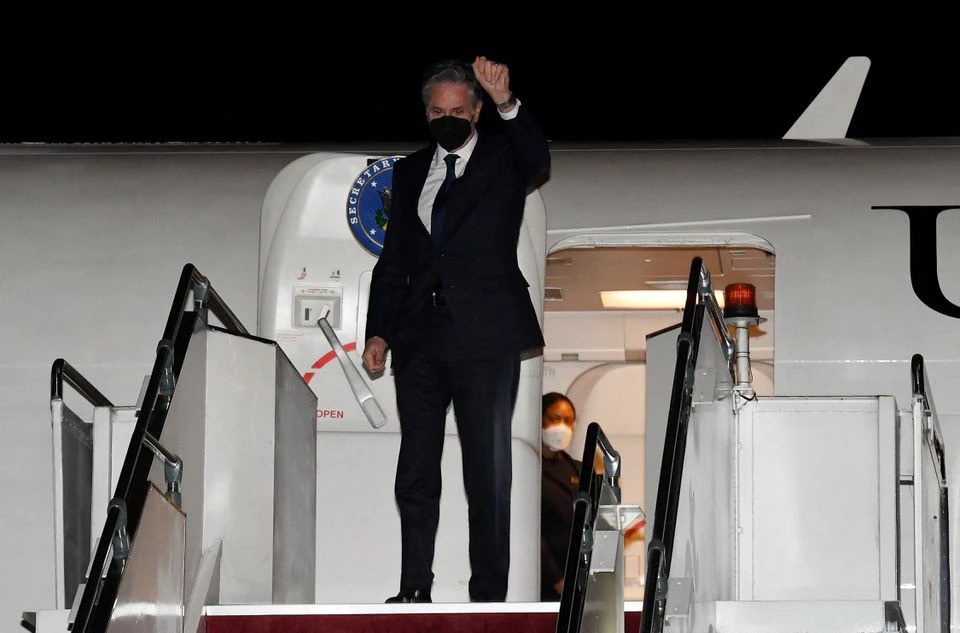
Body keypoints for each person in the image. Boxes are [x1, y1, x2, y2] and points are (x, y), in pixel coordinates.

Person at [361, 55, 551, 603]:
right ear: (426, 114)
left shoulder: (502, 158)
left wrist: (507, 102)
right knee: (415, 468)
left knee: (486, 472)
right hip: (420, 339)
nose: (447, 118)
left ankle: (488, 595)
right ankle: (414, 588)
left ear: (474, 111)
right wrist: (380, 332)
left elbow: (538, 157)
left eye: (457, 110)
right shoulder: (411, 169)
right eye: (436, 111)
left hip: (485, 339)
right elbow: (393, 261)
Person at [540, 392, 581, 601]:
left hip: (575, 575)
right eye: (555, 419)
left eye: (568, 421)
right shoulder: (528, 467)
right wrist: (556, 578)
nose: (562, 427)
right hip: (543, 578)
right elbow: (533, 532)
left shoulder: (578, 469)